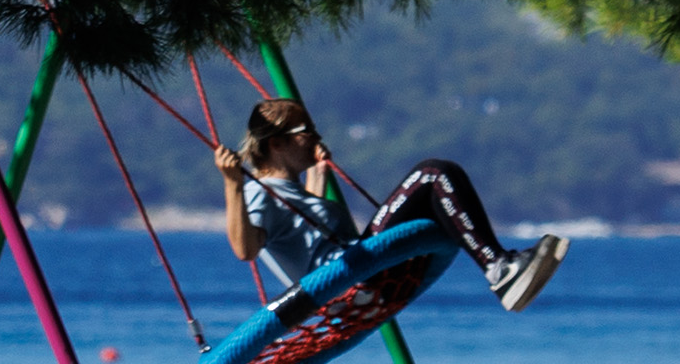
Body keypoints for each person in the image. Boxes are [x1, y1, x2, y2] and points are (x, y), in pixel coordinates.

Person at [218, 97, 566, 314]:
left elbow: (309, 237)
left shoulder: (291, 192)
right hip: (352, 280)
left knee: (439, 194)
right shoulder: (258, 192)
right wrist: (234, 184)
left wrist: (319, 177)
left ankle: (500, 266)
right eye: (306, 130)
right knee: (433, 174)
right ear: (278, 143)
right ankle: (499, 269)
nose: (317, 136)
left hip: (355, 274)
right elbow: (245, 250)